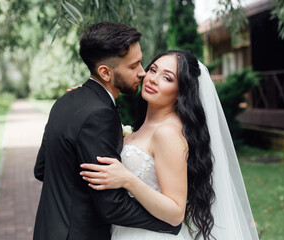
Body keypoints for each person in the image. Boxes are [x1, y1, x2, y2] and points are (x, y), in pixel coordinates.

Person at [80, 50, 260, 240]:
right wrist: (89, 97)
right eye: (153, 70)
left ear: (180, 92)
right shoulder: (146, 125)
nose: (153, 79)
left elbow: (175, 213)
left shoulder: (168, 133)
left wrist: (127, 180)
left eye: (167, 78)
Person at [33, 22, 181, 240]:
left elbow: (41, 169)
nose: (142, 73)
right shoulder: (100, 114)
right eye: (134, 66)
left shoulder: (66, 101)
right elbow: (112, 206)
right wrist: (169, 226)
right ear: (105, 72)